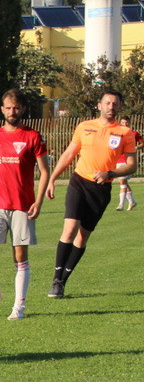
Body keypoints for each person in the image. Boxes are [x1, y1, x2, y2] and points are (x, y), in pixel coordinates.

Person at [45, 90, 137, 298]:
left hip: (102, 189)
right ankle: (56, 279)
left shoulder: (125, 132)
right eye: (107, 103)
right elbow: (69, 153)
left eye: (115, 104)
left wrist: (110, 173)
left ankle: (63, 282)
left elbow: (132, 165)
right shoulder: (84, 126)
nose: (111, 107)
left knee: (82, 237)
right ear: (99, 105)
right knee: (70, 228)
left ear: (119, 107)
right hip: (78, 182)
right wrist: (52, 178)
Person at [0, 89, 50, 321]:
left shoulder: (33, 136)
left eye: (16, 107)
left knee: (20, 257)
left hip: (22, 206)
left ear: (23, 109)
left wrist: (38, 201)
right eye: (8, 107)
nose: (12, 111)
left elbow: (44, 171)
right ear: (2, 109)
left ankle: (19, 307)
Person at [115, 118, 140, 211]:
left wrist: (136, 147)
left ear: (129, 123)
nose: (124, 124)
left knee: (122, 181)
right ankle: (132, 201)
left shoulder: (134, 133)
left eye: (126, 123)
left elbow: (142, 143)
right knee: (124, 182)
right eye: (123, 122)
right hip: (118, 160)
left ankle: (121, 204)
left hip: (127, 161)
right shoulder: (117, 134)